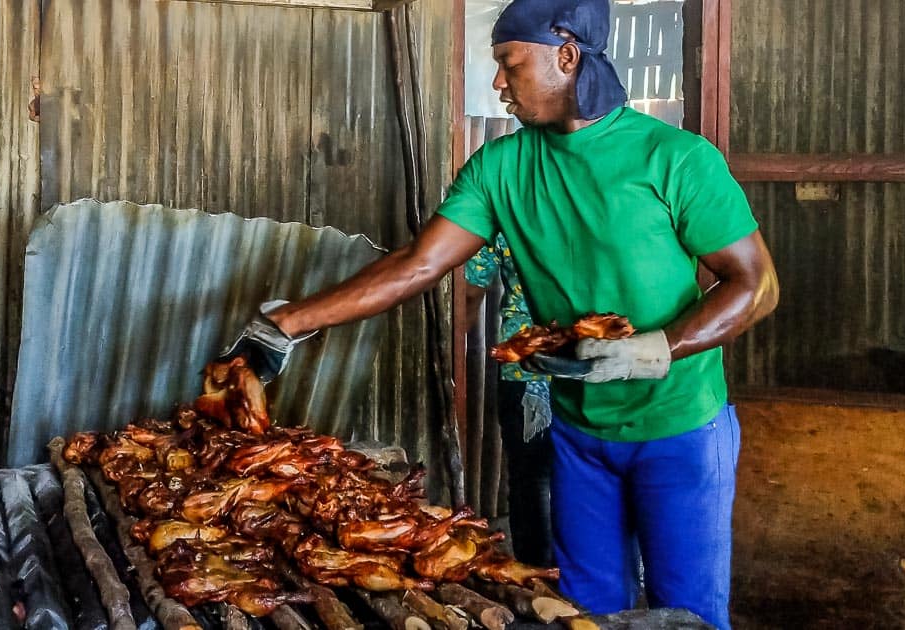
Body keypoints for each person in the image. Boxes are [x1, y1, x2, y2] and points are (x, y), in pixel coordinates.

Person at [220, 1, 778, 627]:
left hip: (680, 429)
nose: (497, 82)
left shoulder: (675, 158)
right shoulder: (501, 167)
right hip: (579, 436)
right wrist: (285, 325)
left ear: (567, 57)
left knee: (688, 613)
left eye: (510, 65)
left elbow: (756, 285)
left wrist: (656, 348)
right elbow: (418, 265)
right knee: (585, 612)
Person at [463, 235, 554, 567]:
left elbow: (470, 287)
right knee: (591, 476)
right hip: (597, 365)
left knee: (532, 480)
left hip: (525, 372)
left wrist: (456, 342)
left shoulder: (508, 204)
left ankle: (538, 577)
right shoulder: (600, 201)